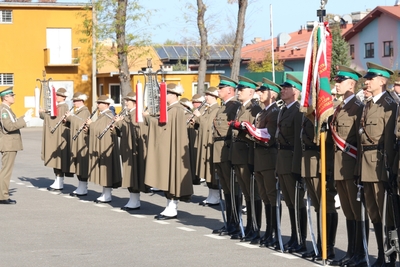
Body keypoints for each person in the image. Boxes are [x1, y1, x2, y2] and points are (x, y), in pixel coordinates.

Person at [357, 62, 397, 266]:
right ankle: (380, 254)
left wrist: (390, 170)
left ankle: (390, 257)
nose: (366, 81)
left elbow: (389, 141)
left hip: (380, 166)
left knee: (386, 214)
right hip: (366, 165)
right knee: (374, 213)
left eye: (370, 78)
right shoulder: (368, 104)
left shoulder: (389, 106)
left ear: (382, 81)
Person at [144, 83, 193, 220]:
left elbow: (163, 125)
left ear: (173, 95)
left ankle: (172, 207)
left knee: (172, 176)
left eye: (165, 94)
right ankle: (170, 206)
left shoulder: (176, 109)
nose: (162, 96)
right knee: (167, 175)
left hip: (173, 148)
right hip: (169, 146)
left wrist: (148, 118)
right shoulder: (171, 109)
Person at [229, 76, 263, 243]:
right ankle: (249, 227)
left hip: (247, 155)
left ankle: (255, 228)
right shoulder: (240, 108)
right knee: (247, 195)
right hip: (238, 155)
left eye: (241, 89)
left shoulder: (254, 109)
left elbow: (256, 132)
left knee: (253, 193)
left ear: (251, 91)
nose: (238, 92)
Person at [275, 74, 305, 253]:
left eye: (286, 88)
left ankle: (300, 239)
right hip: (282, 160)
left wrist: (297, 167)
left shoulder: (298, 110)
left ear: (295, 91)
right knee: (290, 203)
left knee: (297, 202)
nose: (282, 90)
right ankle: (294, 236)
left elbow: (297, 142)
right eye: (282, 88)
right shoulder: (284, 110)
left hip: (292, 161)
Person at [211, 75, 242, 236]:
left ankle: (235, 223)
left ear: (229, 90)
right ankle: (229, 222)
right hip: (219, 150)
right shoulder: (223, 107)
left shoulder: (234, 107)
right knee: (226, 190)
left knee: (233, 189)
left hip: (227, 150)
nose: (218, 90)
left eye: (221, 88)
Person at [252, 78, 280, 247]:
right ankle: (269, 231)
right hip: (260, 158)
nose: (260, 94)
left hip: (269, 158)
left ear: (272, 94)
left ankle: (274, 231)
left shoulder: (274, 112)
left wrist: (252, 130)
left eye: (263, 91)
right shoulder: (263, 112)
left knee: (271, 196)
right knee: (264, 196)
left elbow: (268, 136)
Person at [86, 95, 122, 203]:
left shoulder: (108, 115)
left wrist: (91, 125)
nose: (98, 105)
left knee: (107, 170)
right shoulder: (102, 115)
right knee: (103, 170)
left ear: (106, 104)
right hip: (103, 144)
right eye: (98, 103)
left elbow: (101, 129)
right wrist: (88, 129)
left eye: (100, 103)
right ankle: (105, 193)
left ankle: (107, 194)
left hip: (106, 145)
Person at [114, 92, 147, 210]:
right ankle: (133, 199)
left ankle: (135, 201)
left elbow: (133, 130)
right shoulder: (129, 114)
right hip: (127, 149)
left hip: (134, 150)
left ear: (134, 102)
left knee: (133, 174)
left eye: (127, 100)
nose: (125, 102)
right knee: (130, 174)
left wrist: (119, 122)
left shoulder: (136, 115)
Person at [0, 87, 32, 204]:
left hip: (10, 144)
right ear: (6, 97)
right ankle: (2, 196)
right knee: (6, 171)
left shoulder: (7, 109)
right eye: (12, 95)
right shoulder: (4, 110)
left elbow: (13, 122)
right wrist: (25, 121)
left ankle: (2, 194)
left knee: (6, 170)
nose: (14, 97)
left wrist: (24, 117)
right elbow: (9, 127)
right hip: (8, 144)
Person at [40, 87, 73, 191]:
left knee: (59, 160)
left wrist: (42, 114)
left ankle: (59, 181)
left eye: (58, 95)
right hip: (57, 136)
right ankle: (58, 180)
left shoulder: (62, 107)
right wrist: (45, 113)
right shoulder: (58, 106)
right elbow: (51, 117)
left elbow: (54, 120)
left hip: (59, 136)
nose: (56, 97)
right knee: (56, 160)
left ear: (63, 97)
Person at [192, 87, 220, 206]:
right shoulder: (207, 109)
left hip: (210, 142)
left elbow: (208, 125)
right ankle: (211, 194)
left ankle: (215, 196)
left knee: (211, 170)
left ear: (213, 96)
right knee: (206, 170)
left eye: (208, 95)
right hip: (204, 141)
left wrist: (198, 116)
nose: (206, 97)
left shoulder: (216, 109)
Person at [65, 92, 91, 196]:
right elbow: (74, 123)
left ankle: (83, 187)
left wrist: (70, 117)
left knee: (82, 163)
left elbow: (80, 123)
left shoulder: (84, 111)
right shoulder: (78, 111)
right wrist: (66, 120)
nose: (74, 103)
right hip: (76, 139)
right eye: (74, 101)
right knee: (76, 162)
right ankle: (81, 186)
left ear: (81, 101)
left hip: (82, 140)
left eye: (75, 101)